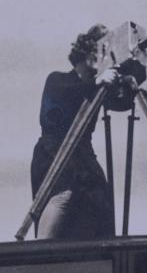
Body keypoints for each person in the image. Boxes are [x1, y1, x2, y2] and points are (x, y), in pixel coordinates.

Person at [30, 24, 121, 239]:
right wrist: (97, 82)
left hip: (83, 154)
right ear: (85, 54)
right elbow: (54, 110)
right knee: (63, 193)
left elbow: (122, 102)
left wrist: (135, 74)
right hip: (54, 150)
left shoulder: (98, 88)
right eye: (98, 50)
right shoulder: (57, 79)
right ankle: (40, 256)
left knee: (99, 201)